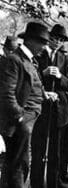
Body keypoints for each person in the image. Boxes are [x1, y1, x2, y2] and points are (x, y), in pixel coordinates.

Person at [0, 22, 57, 188]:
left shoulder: (29, 60)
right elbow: (6, 94)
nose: (44, 47)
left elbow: (30, 85)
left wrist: (44, 95)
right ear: (31, 41)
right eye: (42, 43)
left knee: (17, 163)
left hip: (29, 120)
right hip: (20, 123)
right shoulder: (14, 60)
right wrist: (20, 118)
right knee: (19, 164)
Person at [30, 24, 68, 188]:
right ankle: (36, 184)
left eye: (61, 40)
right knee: (38, 150)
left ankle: (53, 183)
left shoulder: (64, 58)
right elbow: (30, 79)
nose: (57, 42)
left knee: (55, 152)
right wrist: (44, 73)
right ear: (48, 38)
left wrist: (60, 76)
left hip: (59, 111)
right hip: (41, 109)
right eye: (54, 38)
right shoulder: (38, 54)